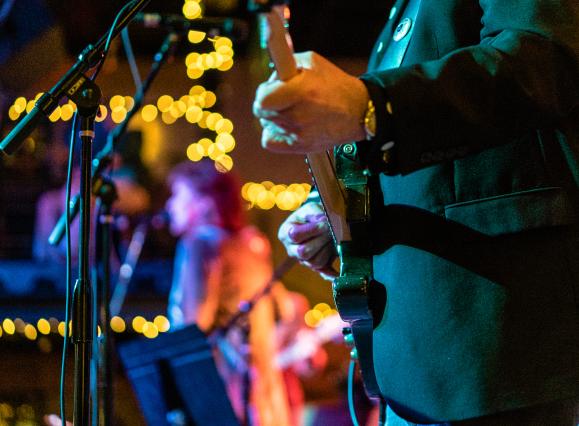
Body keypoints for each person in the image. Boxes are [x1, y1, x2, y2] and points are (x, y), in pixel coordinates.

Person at [253, 1, 579, 425]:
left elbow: (543, 60)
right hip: (422, 358)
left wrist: (373, 104)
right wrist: (336, 214)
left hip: (493, 342)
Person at [164, 159, 291, 426]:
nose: (170, 205)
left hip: (223, 391)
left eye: (178, 196)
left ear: (204, 202)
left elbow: (194, 324)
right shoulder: (252, 243)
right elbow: (287, 310)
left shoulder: (199, 244)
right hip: (263, 394)